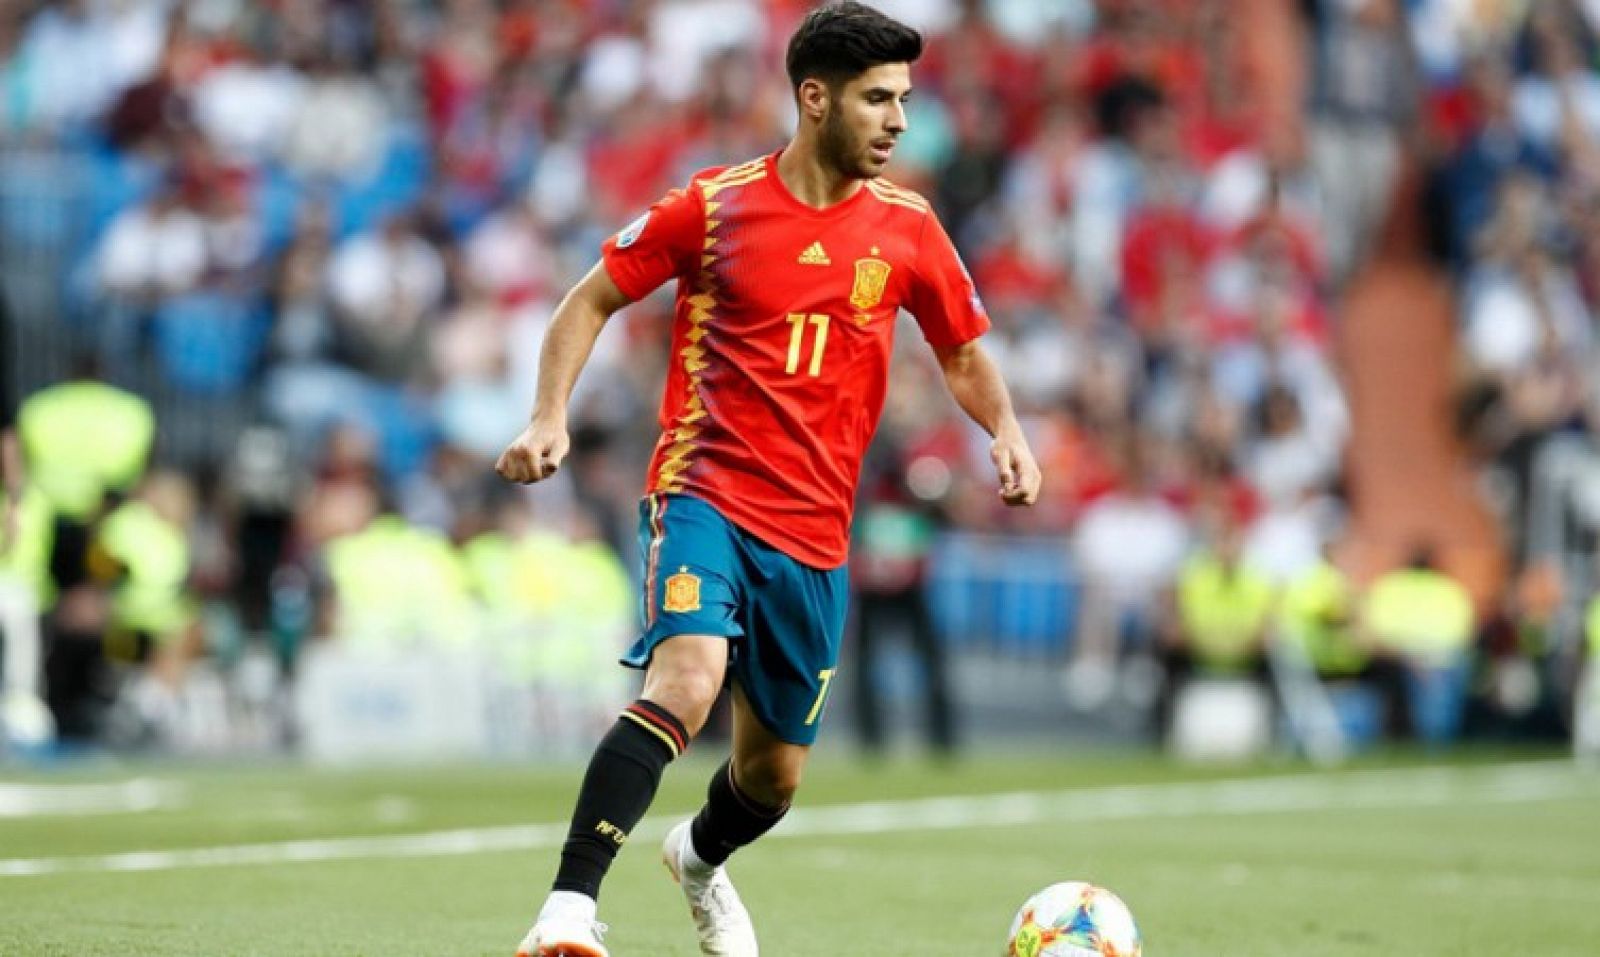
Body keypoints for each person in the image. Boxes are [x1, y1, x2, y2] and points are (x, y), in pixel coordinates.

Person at [495, 5, 1042, 955]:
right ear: (814, 97)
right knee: (689, 678)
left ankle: (699, 860)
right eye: (879, 99)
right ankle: (568, 908)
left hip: (817, 537)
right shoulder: (709, 208)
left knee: (771, 780)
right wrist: (550, 414)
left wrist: (1006, 428)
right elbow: (588, 301)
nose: (899, 121)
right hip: (703, 495)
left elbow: (961, 351)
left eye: (904, 99)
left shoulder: (908, 228)